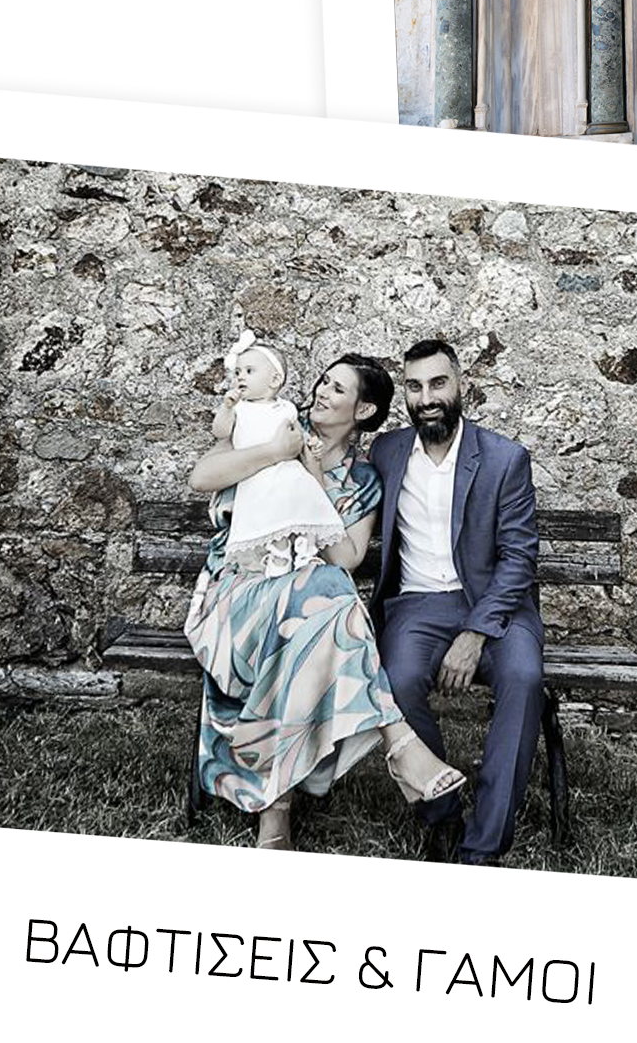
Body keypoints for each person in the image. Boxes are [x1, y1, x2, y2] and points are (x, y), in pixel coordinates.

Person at [184, 351, 466, 851]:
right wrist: (277, 452)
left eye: (337, 389)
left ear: (362, 410)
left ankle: (277, 816)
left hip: (303, 615)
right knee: (330, 597)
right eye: (321, 382)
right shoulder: (276, 424)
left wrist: (314, 478)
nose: (320, 392)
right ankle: (398, 743)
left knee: (320, 598)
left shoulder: (362, 482)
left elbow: (348, 557)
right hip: (236, 594)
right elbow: (202, 478)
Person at [367, 340, 545, 867]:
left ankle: (484, 843)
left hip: (494, 607)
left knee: (524, 678)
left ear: (459, 383)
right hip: (417, 605)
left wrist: (475, 633)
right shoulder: (387, 452)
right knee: (396, 680)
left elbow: (519, 557)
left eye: (437, 384)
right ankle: (440, 812)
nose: (427, 398)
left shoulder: (503, 459)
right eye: (415, 387)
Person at [210, 331, 344, 573]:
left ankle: (306, 548)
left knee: (302, 501)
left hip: (288, 471)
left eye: (249, 371)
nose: (240, 377)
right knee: (272, 512)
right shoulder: (240, 409)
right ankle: (279, 552)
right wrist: (227, 407)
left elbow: (297, 435)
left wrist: (310, 444)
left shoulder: (287, 408)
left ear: (274, 380)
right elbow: (220, 432)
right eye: (238, 372)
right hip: (257, 474)